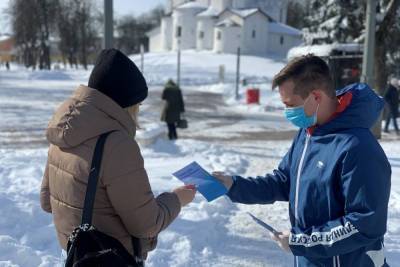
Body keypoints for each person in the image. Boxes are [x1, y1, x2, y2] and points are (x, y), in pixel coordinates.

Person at [213, 54, 391, 267]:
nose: (288, 112)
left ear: (316, 97)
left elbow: (365, 223)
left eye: (291, 105)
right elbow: (284, 181)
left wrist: (302, 241)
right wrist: (233, 185)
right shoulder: (307, 133)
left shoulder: (358, 148)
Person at [40, 49, 196, 263]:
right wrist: (177, 199)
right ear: (126, 104)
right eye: (138, 104)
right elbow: (146, 224)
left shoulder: (63, 131)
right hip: (112, 257)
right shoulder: (117, 145)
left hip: (76, 254)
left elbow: (47, 202)